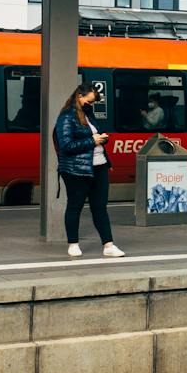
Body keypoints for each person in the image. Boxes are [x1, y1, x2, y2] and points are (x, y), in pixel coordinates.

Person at [52, 83, 124, 258]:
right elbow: (66, 145)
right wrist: (93, 141)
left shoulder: (89, 115)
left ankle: (108, 245)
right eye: (90, 101)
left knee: (100, 207)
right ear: (80, 97)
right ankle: (73, 243)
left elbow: (94, 138)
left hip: (99, 167)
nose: (91, 105)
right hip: (76, 169)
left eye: (94, 102)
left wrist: (102, 139)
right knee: (75, 206)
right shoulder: (66, 117)